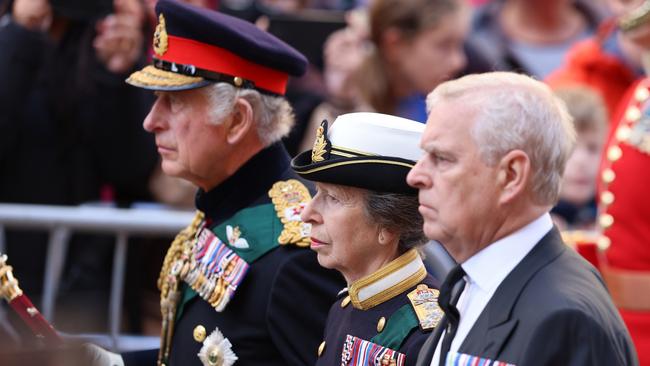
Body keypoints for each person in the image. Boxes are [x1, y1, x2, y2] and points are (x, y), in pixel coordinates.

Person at [91, 1, 344, 365]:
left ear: (237, 121)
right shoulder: (223, 205)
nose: (151, 121)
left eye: (173, 103)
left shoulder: (298, 253)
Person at [406, 72, 638, 366]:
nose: (416, 176)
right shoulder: (475, 281)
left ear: (512, 175)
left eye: (442, 158)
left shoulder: (565, 317)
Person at [291, 112, 441, 366]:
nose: (308, 213)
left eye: (333, 198)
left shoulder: (425, 334)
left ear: (388, 223)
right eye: (318, 192)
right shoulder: (346, 304)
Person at [551, 86, 608, 230]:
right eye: (569, 148)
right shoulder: (529, 224)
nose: (581, 161)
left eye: (592, 148)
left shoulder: (612, 217)